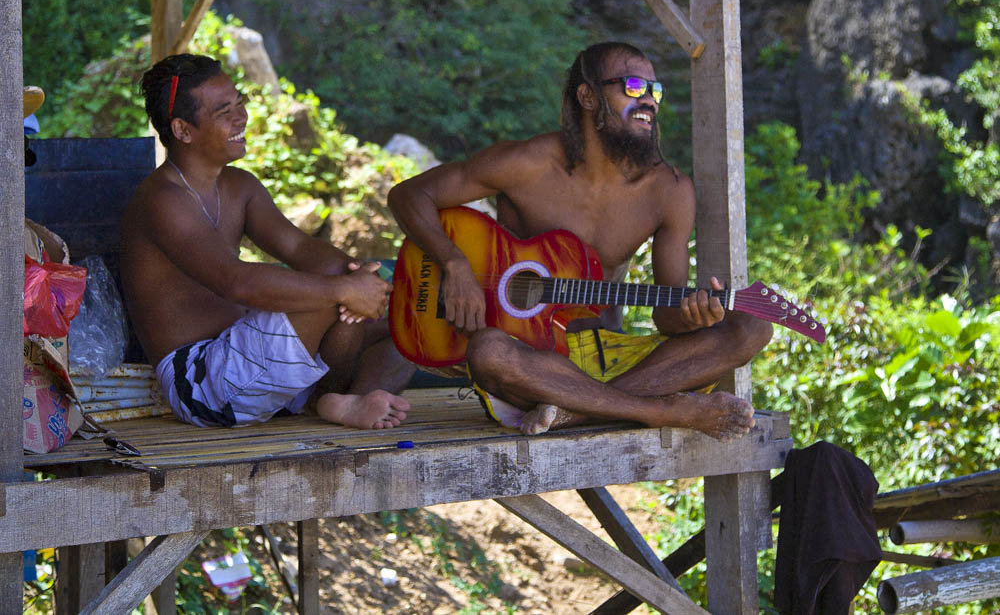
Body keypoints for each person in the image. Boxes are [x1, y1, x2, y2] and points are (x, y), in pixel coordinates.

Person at [387, 41, 772, 439]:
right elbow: (409, 195)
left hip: (619, 360)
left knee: (752, 328)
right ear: (587, 95)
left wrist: (694, 314)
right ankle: (658, 410)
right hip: (536, 362)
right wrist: (454, 263)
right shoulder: (527, 165)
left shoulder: (668, 191)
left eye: (655, 91)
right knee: (488, 353)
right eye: (634, 87)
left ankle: (580, 411)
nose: (650, 102)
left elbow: (667, 318)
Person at [121, 53, 413, 429]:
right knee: (331, 293)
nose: (241, 117)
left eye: (239, 103)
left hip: (252, 360)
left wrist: (355, 274)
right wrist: (343, 288)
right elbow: (236, 281)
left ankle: (345, 401)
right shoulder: (162, 199)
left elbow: (299, 248)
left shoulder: (239, 186)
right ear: (182, 130)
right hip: (202, 384)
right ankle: (329, 399)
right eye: (224, 112)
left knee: (403, 326)